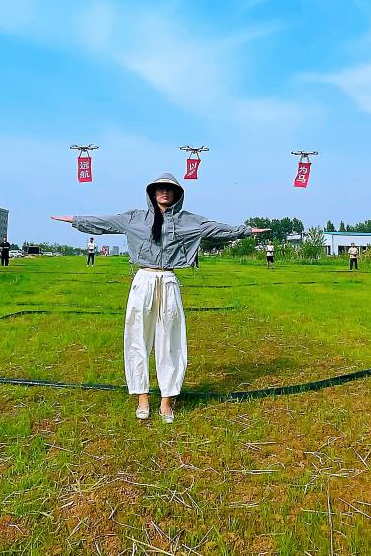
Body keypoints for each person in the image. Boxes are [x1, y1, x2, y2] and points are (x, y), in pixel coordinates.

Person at [52, 173, 267, 423]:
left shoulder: (189, 221)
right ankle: (142, 398)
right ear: (152, 193)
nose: (164, 192)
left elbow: (218, 229)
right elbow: (106, 222)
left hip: (168, 281)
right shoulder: (135, 218)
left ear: (177, 194)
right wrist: (75, 220)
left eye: (169, 189)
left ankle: (166, 401)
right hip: (143, 280)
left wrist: (246, 231)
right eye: (160, 188)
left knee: (171, 340)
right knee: (137, 338)